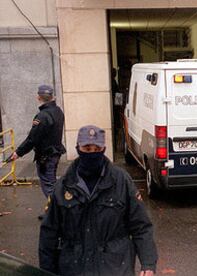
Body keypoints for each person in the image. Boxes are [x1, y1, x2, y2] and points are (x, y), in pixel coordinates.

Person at [39, 125, 157, 276]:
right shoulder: (63, 186)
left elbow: (141, 226)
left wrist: (148, 263)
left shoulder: (121, 181)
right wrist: (46, 272)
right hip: (74, 268)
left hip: (115, 267)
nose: (92, 153)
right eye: (87, 148)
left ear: (104, 149)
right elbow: (48, 235)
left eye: (97, 149)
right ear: (78, 148)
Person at [11, 85, 65, 199]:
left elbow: (32, 139)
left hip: (46, 156)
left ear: (39, 97)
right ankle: (53, 211)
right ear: (52, 97)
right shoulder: (58, 111)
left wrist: (18, 152)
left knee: (49, 185)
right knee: (52, 182)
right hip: (55, 152)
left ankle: (57, 213)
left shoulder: (42, 116)